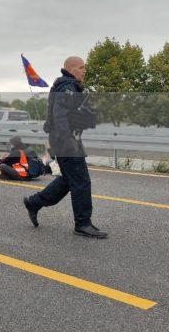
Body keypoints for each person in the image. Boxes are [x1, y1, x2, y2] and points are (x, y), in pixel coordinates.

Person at [22, 56, 107, 238]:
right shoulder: (68, 88)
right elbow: (60, 117)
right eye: (81, 67)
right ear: (71, 69)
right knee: (81, 181)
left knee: (69, 180)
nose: (85, 70)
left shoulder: (67, 87)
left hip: (64, 140)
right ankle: (83, 224)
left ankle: (34, 202)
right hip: (67, 141)